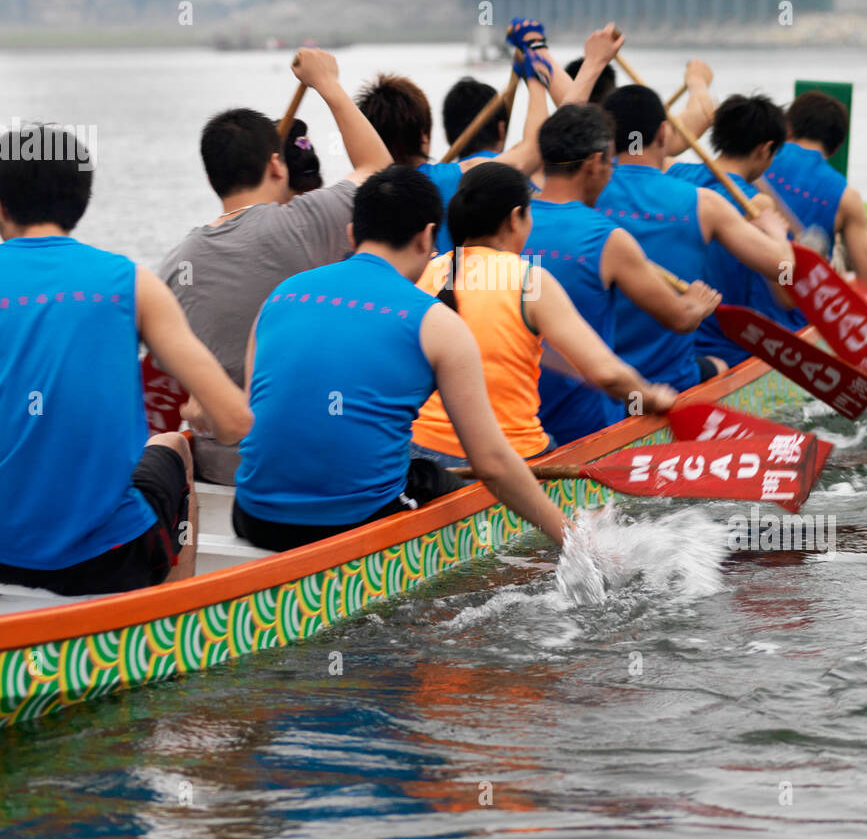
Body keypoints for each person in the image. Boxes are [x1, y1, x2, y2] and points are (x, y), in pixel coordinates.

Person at [232, 165, 572, 553]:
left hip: (252, 516)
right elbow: (492, 463)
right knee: (440, 482)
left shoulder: (282, 294)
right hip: (351, 526)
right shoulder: (437, 321)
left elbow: (248, 417)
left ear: (351, 233)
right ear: (428, 237)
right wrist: (573, 540)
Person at [0, 125, 251, 596]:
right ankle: (174, 614)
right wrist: (196, 411)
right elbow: (235, 421)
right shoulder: (129, 282)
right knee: (173, 446)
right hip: (106, 561)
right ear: (82, 202)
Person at [159, 48, 391, 483]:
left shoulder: (175, 263)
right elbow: (378, 169)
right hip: (295, 461)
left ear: (213, 177)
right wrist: (327, 84)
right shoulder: (304, 223)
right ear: (275, 165)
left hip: (215, 467)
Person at [410, 162, 677, 465]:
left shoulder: (427, 269)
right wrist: (649, 397)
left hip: (419, 451)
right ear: (515, 218)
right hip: (507, 456)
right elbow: (607, 375)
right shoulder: (530, 281)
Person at [523, 106, 720, 446]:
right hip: (587, 429)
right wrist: (697, 304)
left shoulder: (509, 224)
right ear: (594, 163)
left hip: (516, 422)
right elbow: (679, 320)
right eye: (610, 163)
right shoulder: (607, 238)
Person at [356, 23, 626, 252]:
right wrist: (538, 76)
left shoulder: (357, 196)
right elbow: (538, 147)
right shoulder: (447, 179)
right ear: (425, 136)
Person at [599, 84, 794, 390]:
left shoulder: (583, 195)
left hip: (598, 377)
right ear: (663, 134)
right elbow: (783, 267)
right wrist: (775, 230)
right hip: (671, 381)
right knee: (716, 364)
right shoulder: (703, 203)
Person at [668, 94, 806, 369]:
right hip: (726, 352)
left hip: (673, 341)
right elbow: (787, 295)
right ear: (765, 149)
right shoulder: (756, 206)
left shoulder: (674, 174)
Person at [761, 91, 867, 289]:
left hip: (726, 298)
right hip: (793, 306)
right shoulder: (847, 197)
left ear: (788, 128)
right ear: (836, 147)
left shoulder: (756, 157)